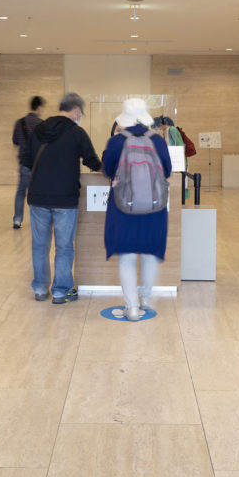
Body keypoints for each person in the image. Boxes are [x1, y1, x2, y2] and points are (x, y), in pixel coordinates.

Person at [21, 93, 102, 304]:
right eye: (80, 113)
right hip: (65, 198)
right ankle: (60, 292)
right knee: (64, 246)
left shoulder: (38, 130)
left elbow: (25, 158)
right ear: (75, 110)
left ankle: (40, 289)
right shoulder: (76, 132)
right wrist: (107, 169)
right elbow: (92, 160)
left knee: (39, 245)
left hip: (38, 196)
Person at [101, 99, 172, 321]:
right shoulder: (158, 141)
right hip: (154, 207)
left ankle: (131, 308)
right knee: (150, 252)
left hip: (123, 206)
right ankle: (147, 300)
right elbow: (167, 170)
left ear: (124, 118)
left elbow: (108, 170)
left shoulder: (116, 141)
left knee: (127, 256)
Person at [11, 96, 46, 229]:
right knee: (37, 193)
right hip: (38, 165)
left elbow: (15, 141)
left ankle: (17, 219)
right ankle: (38, 221)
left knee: (21, 192)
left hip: (24, 163)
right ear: (39, 107)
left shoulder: (19, 123)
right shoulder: (41, 124)